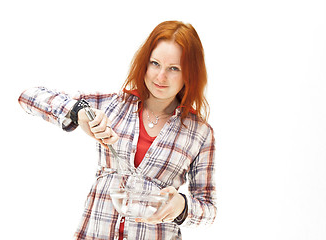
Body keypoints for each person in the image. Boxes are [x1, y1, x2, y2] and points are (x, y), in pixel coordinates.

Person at [18, 20, 216, 240]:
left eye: (174, 68)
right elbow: (28, 96)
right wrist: (79, 112)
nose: (160, 77)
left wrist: (183, 206)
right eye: (155, 63)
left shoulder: (200, 133)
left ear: (190, 74)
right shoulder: (113, 105)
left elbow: (208, 210)